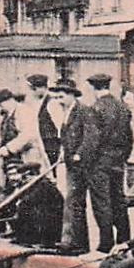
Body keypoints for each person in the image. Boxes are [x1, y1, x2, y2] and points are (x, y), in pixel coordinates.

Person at [89, 72, 133, 251]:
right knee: (118, 199)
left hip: (100, 162)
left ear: (94, 88)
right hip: (118, 160)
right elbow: (129, 137)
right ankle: (124, 238)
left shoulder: (95, 108)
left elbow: (94, 139)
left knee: (102, 202)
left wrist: (90, 161)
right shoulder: (122, 107)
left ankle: (106, 242)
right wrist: (123, 156)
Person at [58, 83, 98, 254]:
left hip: (81, 165)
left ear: (71, 95)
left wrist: (79, 154)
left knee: (75, 201)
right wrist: (63, 153)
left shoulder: (84, 111)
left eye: (61, 96)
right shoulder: (67, 112)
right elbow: (66, 137)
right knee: (72, 202)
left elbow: (91, 136)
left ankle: (79, 243)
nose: (59, 100)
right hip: (70, 164)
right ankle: (73, 240)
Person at [0, 74, 62, 175]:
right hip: (40, 147)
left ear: (39, 89)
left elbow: (60, 127)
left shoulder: (51, 103)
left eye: (31, 90)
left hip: (50, 146)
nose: (29, 93)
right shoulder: (35, 103)